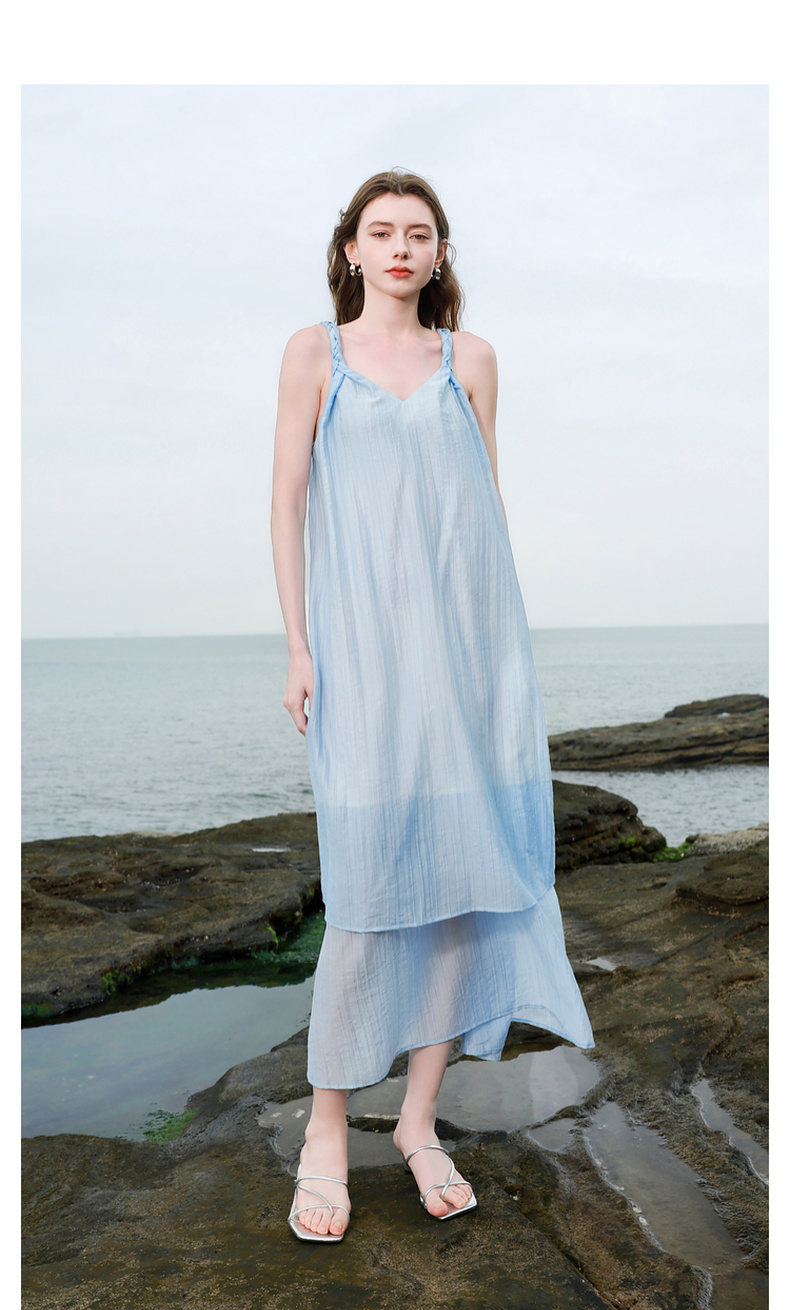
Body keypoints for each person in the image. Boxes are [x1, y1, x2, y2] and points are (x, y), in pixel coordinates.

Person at [270, 169, 594, 1242]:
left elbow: (483, 513)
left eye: (419, 233)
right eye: (382, 231)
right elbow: (286, 499)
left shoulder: (474, 361)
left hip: (468, 660)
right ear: (352, 250)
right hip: (362, 662)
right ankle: (326, 1128)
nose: (401, 246)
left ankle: (417, 1118)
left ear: (439, 253)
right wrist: (299, 643)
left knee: (462, 887)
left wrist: (500, 666)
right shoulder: (314, 353)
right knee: (367, 893)